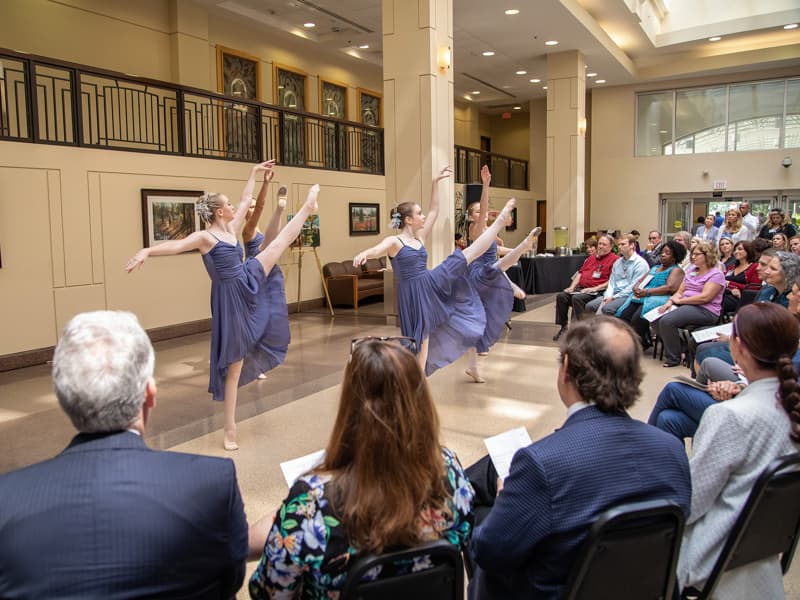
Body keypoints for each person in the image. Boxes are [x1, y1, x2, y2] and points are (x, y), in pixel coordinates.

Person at [0, 311, 248, 598]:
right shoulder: (211, 484)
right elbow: (231, 577)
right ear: (150, 393)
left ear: (63, 398)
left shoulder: (7, 500)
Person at [467, 317, 691, 600]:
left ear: (566, 369)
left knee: (483, 518)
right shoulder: (672, 450)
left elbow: (488, 553)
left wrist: (504, 499)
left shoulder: (542, 463)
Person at [248, 336, 475, 598]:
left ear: (349, 407)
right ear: (420, 405)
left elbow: (267, 593)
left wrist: (287, 518)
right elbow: (467, 534)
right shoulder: (451, 478)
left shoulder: (310, 507)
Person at [127, 161, 320, 450]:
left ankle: (307, 207)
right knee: (233, 367)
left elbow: (245, 199)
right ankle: (230, 429)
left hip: (245, 279)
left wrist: (254, 173)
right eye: (228, 205)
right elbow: (177, 246)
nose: (235, 207)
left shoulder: (231, 227)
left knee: (277, 245)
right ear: (219, 212)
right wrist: (147, 251)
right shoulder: (205, 237)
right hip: (228, 298)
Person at [677, 303, 800, 599]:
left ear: (738, 346)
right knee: (672, 418)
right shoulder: (788, 406)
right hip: (762, 544)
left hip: (714, 548)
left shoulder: (730, 416)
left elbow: (690, 505)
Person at [352, 166, 514, 375]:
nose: (422, 216)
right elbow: (377, 249)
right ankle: (418, 377)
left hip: (429, 282)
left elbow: (435, 210)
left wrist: (435, 183)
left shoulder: (419, 238)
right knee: (420, 337)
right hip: (412, 293)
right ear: (408, 219)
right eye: (418, 213)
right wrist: (365, 253)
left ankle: (419, 379)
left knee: (465, 256)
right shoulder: (395, 241)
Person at [463, 164, 540, 382]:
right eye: (477, 212)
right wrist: (486, 185)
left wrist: (515, 251)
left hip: (488, 275)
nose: (482, 214)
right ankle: (520, 257)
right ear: (471, 218)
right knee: (499, 267)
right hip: (480, 273)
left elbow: (497, 250)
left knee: (482, 319)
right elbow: (486, 213)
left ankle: (474, 365)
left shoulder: (489, 233)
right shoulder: (475, 230)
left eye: (481, 211)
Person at [242, 170, 288, 380]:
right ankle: (253, 362)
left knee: (272, 317)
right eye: (249, 207)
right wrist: (265, 184)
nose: (253, 210)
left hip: (272, 275)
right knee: (257, 319)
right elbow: (260, 208)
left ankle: (262, 358)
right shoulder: (247, 230)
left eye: (253, 206)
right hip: (257, 277)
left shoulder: (260, 229)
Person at [653, 240, 726, 367]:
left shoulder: (716, 274)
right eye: (692, 254)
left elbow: (705, 297)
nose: (693, 257)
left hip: (705, 309)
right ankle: (682, 349)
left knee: (667, 321)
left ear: (707, 255)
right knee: (655, 318)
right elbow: (681, 290)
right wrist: (670, 301)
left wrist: (680, 301)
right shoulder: (691, 269)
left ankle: (673, 358)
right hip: (685, 305)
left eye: (697, 254)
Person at [617, 239, 686, 349]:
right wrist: (636, 288)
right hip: (643, 296)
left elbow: (669, 288)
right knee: (623, 315)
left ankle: (639, 344)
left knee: (637, 318)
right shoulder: (655, 268)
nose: (663, 255)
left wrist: (647, 292)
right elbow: (641, 281)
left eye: (667, 253)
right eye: (662, 252)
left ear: (675, 256)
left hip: (659, 298)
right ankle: (632, 341)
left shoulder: (676, 270)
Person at [551, 234, 618, 340]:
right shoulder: (591, 258)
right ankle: (563, 327)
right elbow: (580, 273)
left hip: (597, 291)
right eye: (599, 243)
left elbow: (612, 281)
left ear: (610, 247)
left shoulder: (615, 260)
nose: (600, 246)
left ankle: (578, 331)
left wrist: (594, 288)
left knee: (577, 298)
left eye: (604, 244)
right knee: (561, 296)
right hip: (582, 289)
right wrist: (572, 287)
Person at [585, 233, 649, 316]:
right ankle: (594, 328)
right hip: (613, 293)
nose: (619, 247)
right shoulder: (618, 262)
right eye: (618, 244)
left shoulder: (640, 263)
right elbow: (612, 282)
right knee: (590, 306)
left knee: (607, 309)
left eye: (623, 244)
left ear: (632, 245)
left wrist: (614, 298)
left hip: (628, 295)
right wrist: (608, 295)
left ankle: (607, 328)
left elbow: (633, 286)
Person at [721, 240, 760, 314]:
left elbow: (754, 288)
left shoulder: (754, 267)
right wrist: (732, 287)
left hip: (741, 299)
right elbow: (722, 279)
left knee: (717, 301)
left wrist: (731, 284)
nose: (736, 252)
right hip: (727, 293)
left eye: (740, 249)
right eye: (735, 249)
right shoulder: (732, 267)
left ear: (748, 250)